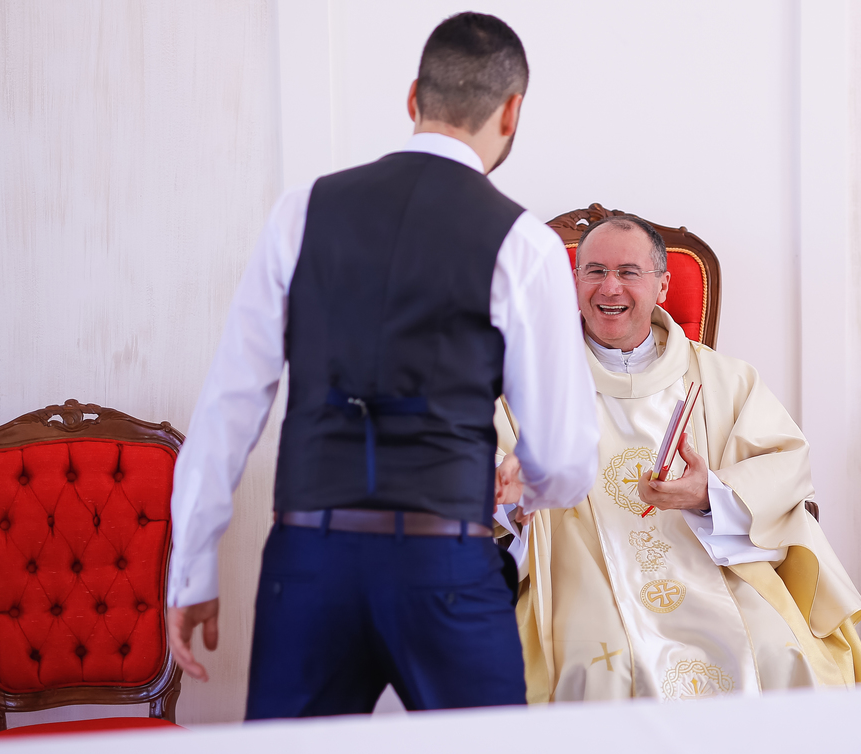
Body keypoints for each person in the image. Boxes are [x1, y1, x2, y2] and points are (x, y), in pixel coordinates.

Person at [165, 12, 598, 717]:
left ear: (413, 98)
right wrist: (529, 484)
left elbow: (227, 408)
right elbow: (567, 458)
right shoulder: (525, 245)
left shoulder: (300, 212)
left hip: (308, 563)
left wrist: (192, 570)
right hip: (445, 567)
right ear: (512, 112)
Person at [494, 215, 861, 703]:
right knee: (602, 670)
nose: (610, 287)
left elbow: (786, 464)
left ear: (663, 286)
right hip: (578, 563)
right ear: (575, 280)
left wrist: (711, 493)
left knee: (777, 653)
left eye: (628, 272)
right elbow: (489, 475)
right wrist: (514, 500)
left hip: (715, 561)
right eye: (595, 271)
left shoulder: (725, 379)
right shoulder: (525, 382)